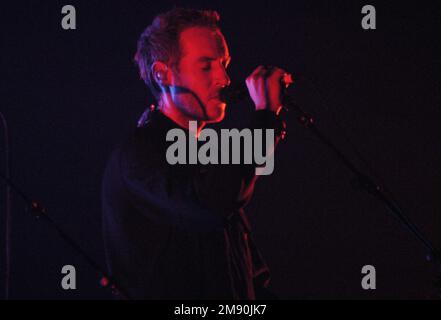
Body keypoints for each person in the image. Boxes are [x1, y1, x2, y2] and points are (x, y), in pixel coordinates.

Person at [102, 7, 289, 300]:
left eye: (224, 64)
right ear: (163, 74)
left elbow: (250, 279)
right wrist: (265, 118)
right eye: (206, 67)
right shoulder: (140, 153)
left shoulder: (208, 158)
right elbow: (213, 202)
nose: (224, 79)